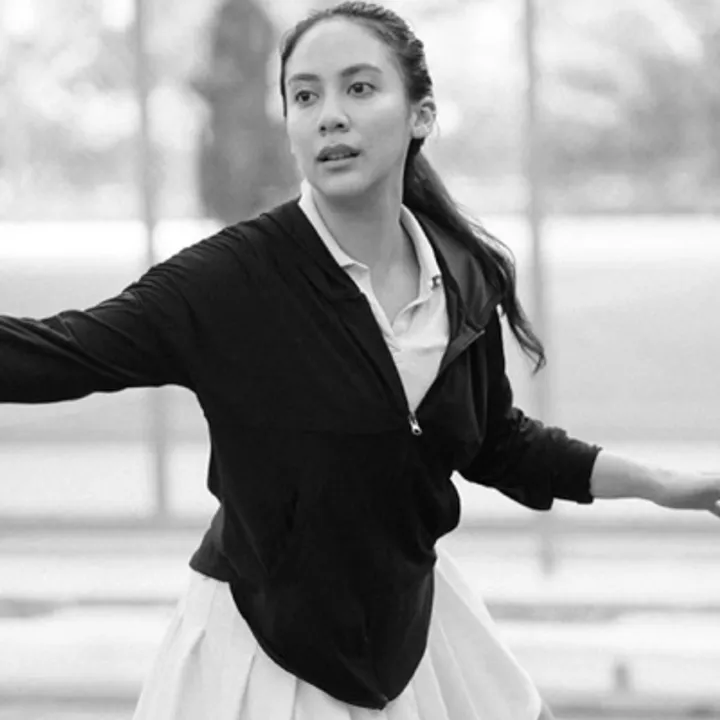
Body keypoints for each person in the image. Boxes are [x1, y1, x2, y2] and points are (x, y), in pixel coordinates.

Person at [1, 2, 718, 718]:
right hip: (260, 656)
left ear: (420, 114)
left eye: (360, 88)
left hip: (413, 643)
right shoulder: (231, 282)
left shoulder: (464, 274)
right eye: (305, 96)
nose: (330, 117)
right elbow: (60, 353)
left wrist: (662, 484)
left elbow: (498, 443)